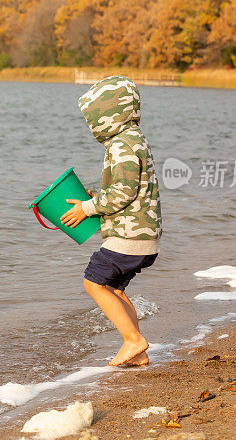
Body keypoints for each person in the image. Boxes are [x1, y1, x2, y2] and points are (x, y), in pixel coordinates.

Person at [60, 76, 161, 367]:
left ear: (106, 114)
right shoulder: (135, 138)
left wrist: (88, 208)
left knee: (93, 283)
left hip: (130, 235)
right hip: (144, 236)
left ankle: (133, 340)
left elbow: (125, 191)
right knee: (115, 288)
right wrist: (99, 196)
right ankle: (138, 351)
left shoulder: (121, 144)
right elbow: (129, 185)